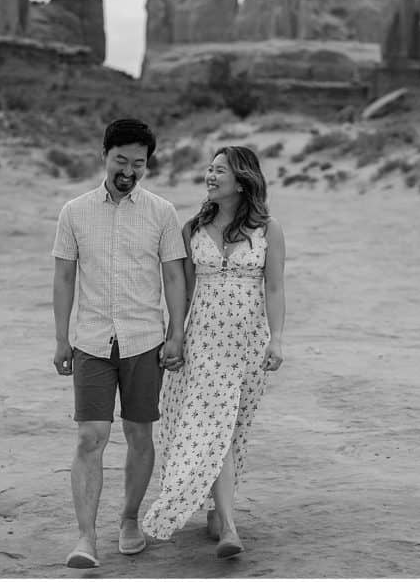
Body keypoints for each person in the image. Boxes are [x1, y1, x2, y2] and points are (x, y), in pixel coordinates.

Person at [51, 118, 188, 568]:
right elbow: (65, 277)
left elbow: (173, 276)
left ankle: (129, 519)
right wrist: (61, 340)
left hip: (144, 340)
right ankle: (86, 538)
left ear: (147, 165)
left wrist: (176, 333)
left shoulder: (162, 213)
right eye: (121, 160)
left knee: (139, 434)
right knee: (91, 436)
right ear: (104, 156)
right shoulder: (74, 212)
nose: (129, 171)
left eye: (139, 163)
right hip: (91, 340)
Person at [142, 145, 286, 559]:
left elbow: (274, 287)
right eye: (209, 168)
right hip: (205, 341)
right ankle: (229, 527)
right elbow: (181, 292)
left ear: (241, 180)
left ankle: (216, 509)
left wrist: (276, 338)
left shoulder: (268, 230)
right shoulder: (191, 229)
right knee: (213, 426)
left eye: (219, 170)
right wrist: (175, 337)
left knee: (234, 427)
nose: (209, 175)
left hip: (247, 344)